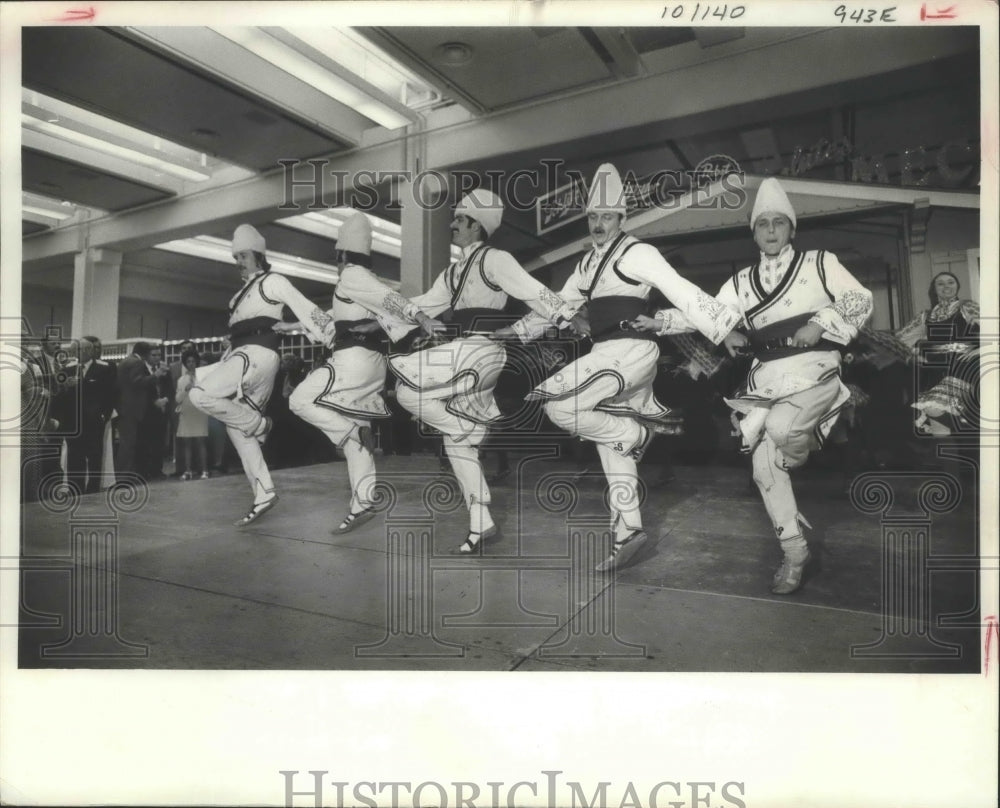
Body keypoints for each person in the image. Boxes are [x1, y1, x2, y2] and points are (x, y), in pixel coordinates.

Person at [497, 163, 740, 572]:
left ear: (621, 219)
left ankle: (636, 431)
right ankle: (629, 532)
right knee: (612, 449)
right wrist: (516, 331)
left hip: (632, 352)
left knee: (559, 405)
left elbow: (679, 288)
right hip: (606, 352)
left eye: (606, 216)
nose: (597, 223)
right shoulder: (587, 265)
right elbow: (558, 303)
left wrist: (724, 326)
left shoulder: (637, 252)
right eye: (593, 216)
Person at [643, 177, 874, 594]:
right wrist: (662, 322)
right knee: (763, 466)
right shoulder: (742, 281)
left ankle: (812, 435)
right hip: (767, 378)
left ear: (791, 229)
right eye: (762, 223)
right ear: (754, 232)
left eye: (778, 223)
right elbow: (708, 311)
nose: (770, 230)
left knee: (782, 432)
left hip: (815, 367)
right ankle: (794, 550)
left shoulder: (819, 262)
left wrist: (818, 322)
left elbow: (860, 299)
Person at [388, 189, 580, 554]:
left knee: (406, 390)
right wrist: (382, 312)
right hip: (463, 352)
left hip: (482, 352)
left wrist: (534, 326)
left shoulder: (496, 259)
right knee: (455, 443)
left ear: (477, 226)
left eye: (459, 219)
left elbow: (537, 293)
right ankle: (481, 523)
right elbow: (423, 303)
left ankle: (471, 426)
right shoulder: (453, 271)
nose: (453, 224)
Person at [281, 212, 444, 532]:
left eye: (336, 257)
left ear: (342, 254)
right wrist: (291, 324)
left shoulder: (352, 276)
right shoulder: (357, 283)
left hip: (351, 360)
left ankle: (350, 435)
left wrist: (421, 317)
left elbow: (391, 299)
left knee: (299, 400)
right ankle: (363, 503)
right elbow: (335, 316)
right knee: (359, 439)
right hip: (372, 364)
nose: (336, 263)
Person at [188, 224, 337, 526]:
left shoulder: (273, 281)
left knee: (198, 394)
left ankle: (261, 424)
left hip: (257, 356)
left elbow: (306, 308)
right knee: (236, 427)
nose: (238, 263)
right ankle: (264, 493)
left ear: (258, 255)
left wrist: (327, 332)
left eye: (243, 256)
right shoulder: (239, 295)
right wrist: (232, 341)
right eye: (236, 258)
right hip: (247, 356)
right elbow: (245, 326)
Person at [893, 270, 980, 436]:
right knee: (940, 431)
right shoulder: (925, 316)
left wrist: (979, 349)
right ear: (934, 289)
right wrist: (913, 353)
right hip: (935, 374)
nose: (946, 286)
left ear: (957, 286)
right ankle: (949, 460)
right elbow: (899, 340)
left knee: (962, 424)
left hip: (964, 371)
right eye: (940, 283)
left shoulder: (967, 307)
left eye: (951, 282)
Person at [64, 337, 117, 494]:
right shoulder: (67, 369)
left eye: (76, 350)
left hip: (94, 421)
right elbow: (61, 395)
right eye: (73, 350)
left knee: (94, 456)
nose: (74, 353)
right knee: (74, 456)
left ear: (87, 351)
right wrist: (66, 386)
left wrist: (104, 416)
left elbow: (111, 395)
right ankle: (75, 489)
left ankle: (93, 489)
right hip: (73, 422)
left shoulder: (105, 369)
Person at [115, 340, 169, 480]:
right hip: (133, 409)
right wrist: (155, 375)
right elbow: (137, 382)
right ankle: (124, 476)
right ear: (145, 354)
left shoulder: (126, 361)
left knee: (127, 443)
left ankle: (124, 474)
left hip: (124, 406)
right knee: (129, 444)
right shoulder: (137, 363)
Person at [174, 348, 209, 480]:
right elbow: (177, 399)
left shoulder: (203, 378)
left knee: (201, 442)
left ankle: (204, 470)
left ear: (197, 362)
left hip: (199, 412)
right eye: (188, 361)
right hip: (187, 413)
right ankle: (188, 471)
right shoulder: (181, 380)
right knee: (187, 443)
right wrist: (185, 390)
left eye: (193, 361)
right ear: (185, 363)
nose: (191, 364)